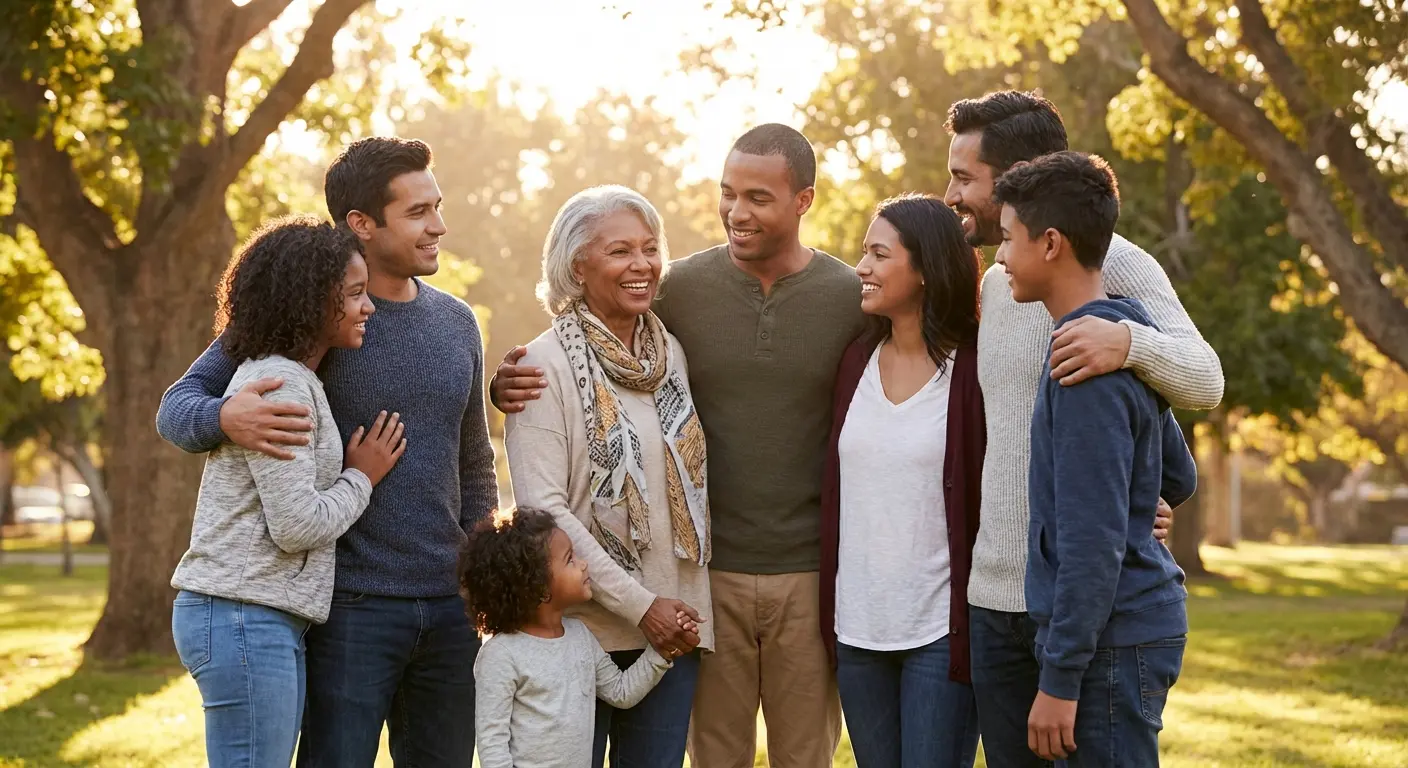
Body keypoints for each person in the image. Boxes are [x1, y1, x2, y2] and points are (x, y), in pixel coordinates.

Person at [493, 124, 866, 767]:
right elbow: (582, 344)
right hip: (665, 596)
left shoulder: (841, 299)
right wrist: (504, 384)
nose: (737, 212)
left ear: (803, 200)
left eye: (758, 197)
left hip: (760, 585)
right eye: (728, 193)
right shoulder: (666, 298)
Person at [155, 137, 498, 768]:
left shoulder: (457, 324)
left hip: (449, 609)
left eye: (437, 207)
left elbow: (473, 463)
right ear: (361, 223)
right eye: (418, 212)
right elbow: (177, 407)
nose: (438, 226)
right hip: (347, 609)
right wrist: (224, 416)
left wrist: (480, 578)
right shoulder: (309, 315)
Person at [944, 90, 1223, 768]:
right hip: (996, 602)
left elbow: (1205, 380)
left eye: (963, 178)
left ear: (1019, 180)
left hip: (1081, 603)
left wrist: (1130, 343)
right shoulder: (999, 280)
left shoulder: (1114, 266)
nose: (950, 195)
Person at [169, 217, 404, 767]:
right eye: (354, 294)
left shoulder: (292, 376)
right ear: (311, 301)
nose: (368, 306)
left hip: (257, 614)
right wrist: (362, 476)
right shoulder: (281, 384)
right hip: (243, 613)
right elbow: (296, 524)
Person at [994, 150, 1197, 766]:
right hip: (1133, 629)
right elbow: (1178, 473)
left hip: (1112, 643)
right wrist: (1139, 507)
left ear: (1050, 243)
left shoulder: (1083, 363)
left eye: (1008, 238)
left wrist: (1059, 680)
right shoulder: (1121, 333)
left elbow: (1091, 540)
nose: (999, 256)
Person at [504, 185, 712, 768]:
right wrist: (641, 605)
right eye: (620, 251)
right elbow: (544, 510)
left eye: (650, 248)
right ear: (577, 266)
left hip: (671, 629)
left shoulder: (669, 354)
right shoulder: (540, 366)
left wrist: (663, 612)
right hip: (577, 630)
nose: (641, 264)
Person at [819, 195, 984, 768]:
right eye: (864, 252)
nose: (861, 267)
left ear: (925, 268)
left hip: (940, 632)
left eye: (879, 254)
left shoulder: (974, 369)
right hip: (857, 630)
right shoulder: (854, 362)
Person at [463, 506, 691, 768]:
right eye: (570, 559)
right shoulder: (500, 655)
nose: (583, 564)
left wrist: (662, 650)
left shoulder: (580, 635)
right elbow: (492, 745)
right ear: (538, 586)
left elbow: (621, 691)